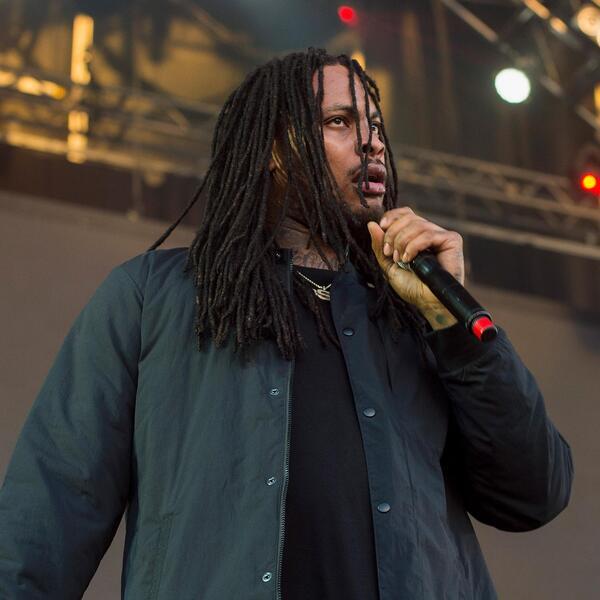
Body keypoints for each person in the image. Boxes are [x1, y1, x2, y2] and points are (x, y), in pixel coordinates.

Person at [0, 48, 572, 600]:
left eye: (375, 124)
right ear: (274, 147)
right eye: (339, 121)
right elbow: (52, 504)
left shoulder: (414, 314)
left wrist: (453, 328)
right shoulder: (154, 297)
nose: (372, 142)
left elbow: (533, 494)